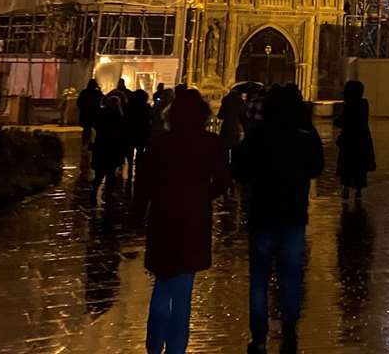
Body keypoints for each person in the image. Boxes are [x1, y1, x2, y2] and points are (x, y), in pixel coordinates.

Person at [136, 89, 231, 354]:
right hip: (193, 219)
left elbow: (143, 184)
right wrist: (203, 196)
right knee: (182, 291)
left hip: (163, 217)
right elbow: (223, 181)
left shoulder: (159, 143)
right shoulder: (210, 143)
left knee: (162, 282)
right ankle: (177, 348)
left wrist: (136, 215)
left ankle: (154, 345)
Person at [232, 83, 324, 352]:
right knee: (291, 274)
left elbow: (239, 168)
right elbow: (317, 166)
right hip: (294, 215)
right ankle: (290, 328)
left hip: (263, 214)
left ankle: (259, 337)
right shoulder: (305, 132)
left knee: (259, 277)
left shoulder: (259, 133)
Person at [334, 79, 376, 203]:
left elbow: (342, 121)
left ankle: (346, 188)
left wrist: (337, 121)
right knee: (360, 167)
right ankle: (358, 191)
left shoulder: (350, 105)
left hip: (349, 140)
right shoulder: (364, 104)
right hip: (362, 140)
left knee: (347, 164)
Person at [91, 93, 128, 199]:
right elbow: (122, 134)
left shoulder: (101, 115)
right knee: (111, 172)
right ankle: (108, 192)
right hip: (114, 148)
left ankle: (95, 190)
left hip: (102, 146)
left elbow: (96, 128)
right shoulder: (120, 117)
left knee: (99, 172)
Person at [125, 88, 152, 177]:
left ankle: (130, 166)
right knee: (140, 150)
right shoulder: (146, 107)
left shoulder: (129, 106)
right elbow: (150, 119)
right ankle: (138, 166)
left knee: (130, 150)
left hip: (131, 131)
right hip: (142, 131)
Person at [218, 88, 247, 155]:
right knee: (235, 148)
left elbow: (220, 115)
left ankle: (225, 163)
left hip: (226, 127)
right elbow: (243, 116)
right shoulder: (240, 102)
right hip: (236, 127)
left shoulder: (225, 100)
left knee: (225, 148)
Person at [77, 79, 103, 149]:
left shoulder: (84, 92)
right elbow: (103, 99)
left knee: (86, 129)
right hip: (95, 114)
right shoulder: (97, 93)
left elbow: (79, 103)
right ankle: (93, 143)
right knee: (95, 129)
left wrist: (83, 109)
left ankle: (85, 143)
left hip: (86, 114)